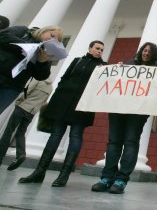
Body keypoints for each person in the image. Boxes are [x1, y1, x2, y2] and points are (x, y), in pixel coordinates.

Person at [19, 40, 106, 187]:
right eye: (97, 48)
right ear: (90, 48)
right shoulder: (77, 61)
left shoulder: (103, 66)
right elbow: (64, 78)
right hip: (63, 102)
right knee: (55, 135)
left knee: (76, 136)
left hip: (82, 106)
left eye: (102, 50)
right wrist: (56, 98)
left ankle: (64, 175)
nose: (99, 51)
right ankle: (39, 172)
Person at [91, 42, 157, 194]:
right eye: (144, 50)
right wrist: (118, 69)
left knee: (131, 142)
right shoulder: (129, 65)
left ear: (154, 54)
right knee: (113, 142)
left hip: (138, 113)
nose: (146, 53)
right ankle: (106, 178)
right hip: (118, 109)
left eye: (149, 51)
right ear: (141, 51)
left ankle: (121, 180)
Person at [0, 25, 63, 115]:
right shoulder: (24, 31)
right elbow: (3, 35)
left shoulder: (45, 52)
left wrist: (42, 62)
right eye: (52, 35)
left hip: (12, 87)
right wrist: (27, 47)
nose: (51, 40)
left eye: (55, 41)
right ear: (45, 30)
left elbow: (41, 76)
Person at [0, 78, 52, 170]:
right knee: (21, 133)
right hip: (31, 113)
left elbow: (26, 91)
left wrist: (18, 101)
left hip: (22, 107)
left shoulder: (37, 80)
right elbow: (44, 102)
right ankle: (21, 154)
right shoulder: (50, 87)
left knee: (8, 131)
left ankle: (0, 157)